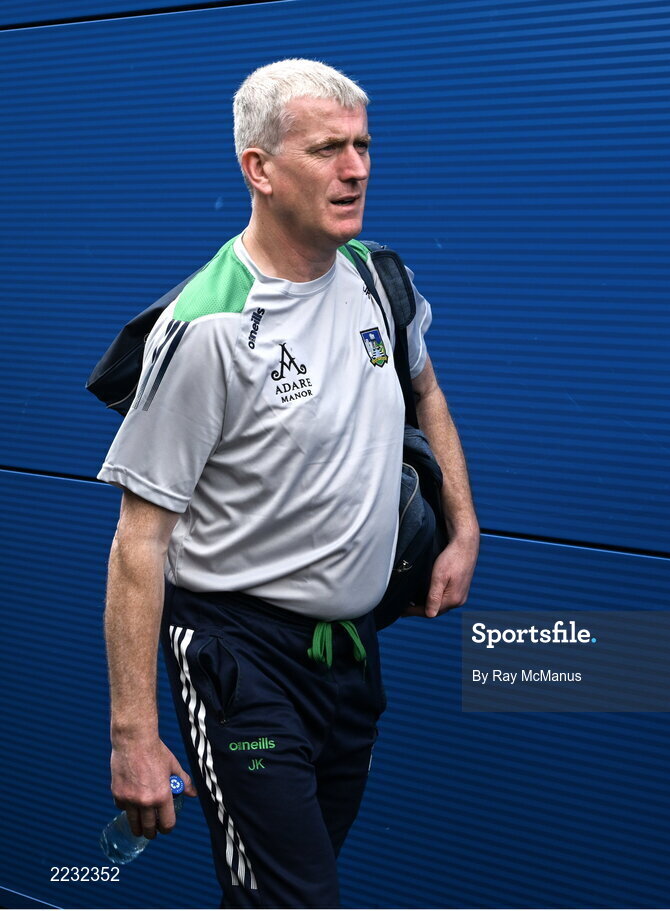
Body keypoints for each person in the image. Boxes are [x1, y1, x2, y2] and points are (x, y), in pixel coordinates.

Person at [98, 58, 480, 907]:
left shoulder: (381, 278)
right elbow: (140, 541)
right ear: (259, 169)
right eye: (326, 149)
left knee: (280, 888)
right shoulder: (211, 327)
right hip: (241, 660)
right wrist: (133, 733)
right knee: (296, 899)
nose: (357, 168)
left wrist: (464, 527)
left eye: (362, 145)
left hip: (351, 655)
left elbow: (427, 393)